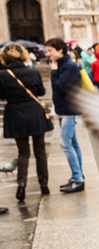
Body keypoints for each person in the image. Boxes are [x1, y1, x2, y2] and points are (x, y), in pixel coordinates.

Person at [0, 44, 52, 201]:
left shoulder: (2, 75)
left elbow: (2, 96)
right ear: (23, 55)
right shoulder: (32, 72)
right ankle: (43, 184)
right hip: (34, 112)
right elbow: (41, 92)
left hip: (15, 113)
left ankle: (21, 184)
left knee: (23, 152)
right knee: (40, 150)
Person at [45, 38, 85, 194]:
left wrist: (53, 73)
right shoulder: (62, 65)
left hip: (69, 110)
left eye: (50, 51)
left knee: (65, 143)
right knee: (73, 143)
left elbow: (61, 87)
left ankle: (77, 178)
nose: (48, 54)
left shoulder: (69, 66)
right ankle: (78, 175)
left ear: (60, 50)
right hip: (64, 109)